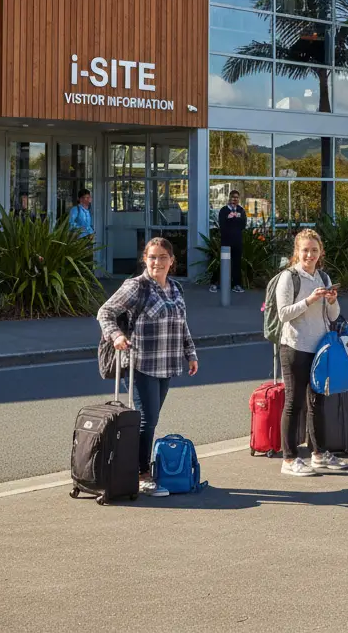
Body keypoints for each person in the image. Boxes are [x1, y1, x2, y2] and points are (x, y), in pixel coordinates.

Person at [97, 236, 198, 496]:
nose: (157, 262)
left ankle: (140, 469)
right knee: (146, 420)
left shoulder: (176, 288)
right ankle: (142, 475)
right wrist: (117, 335)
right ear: (145, 259)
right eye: (152, 257)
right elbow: (105, 312)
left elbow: (182, 324)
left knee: (150, 419)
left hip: (167, 363)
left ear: (172, 261)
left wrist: (191, 354)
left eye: (163, 257)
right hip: (140, 363)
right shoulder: (136, 286)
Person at [274, 229, 348, 477]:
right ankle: (289, 458)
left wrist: (330, 301)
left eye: (314, 250)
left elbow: (333, 316)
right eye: (305, 250)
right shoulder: (289, 277)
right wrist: (308, 300)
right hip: (295, 345)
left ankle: (319, 453)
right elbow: (283, 313)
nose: (310, 255)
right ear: (297, 252)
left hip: (320, 348)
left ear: (321, 253)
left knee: (318, 402)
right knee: (294, 403)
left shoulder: (323, 278)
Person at [214, 190, 247, 294]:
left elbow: (243, 224)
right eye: (233, 197)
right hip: (226, 241)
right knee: (223, 262)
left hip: (237, 240)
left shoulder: (241, 210)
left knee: (236, 263)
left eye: (237, 197)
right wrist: (231, 218)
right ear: (229, 198)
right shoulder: (224, 210)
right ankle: (215, 283)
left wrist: (235, 218)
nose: (235, 199)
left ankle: (236, 284)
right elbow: (222, 225)